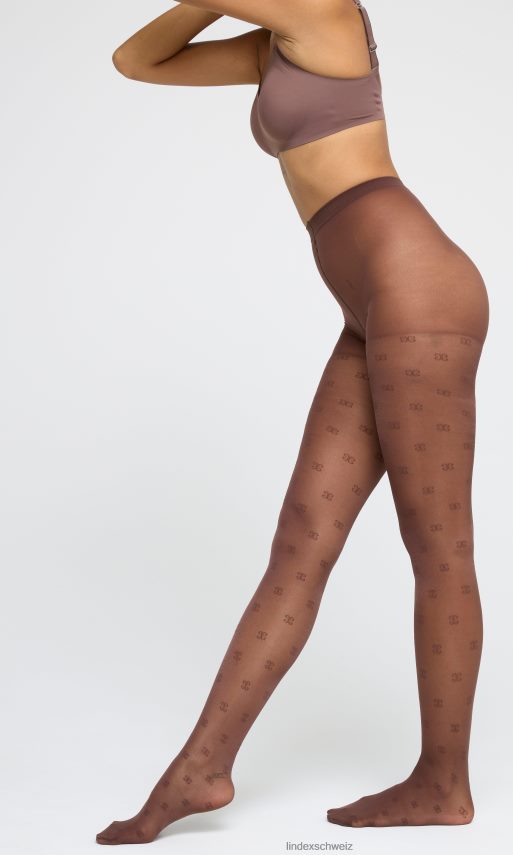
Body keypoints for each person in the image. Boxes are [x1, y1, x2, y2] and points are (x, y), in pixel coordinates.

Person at [97, 0, 490, 843]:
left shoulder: (325, 11)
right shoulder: (272, 42)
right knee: (301, 539)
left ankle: (442, 782)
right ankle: (201, 768)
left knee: (437, 546)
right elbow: (136, 62)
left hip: (419, 291)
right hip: (370, 304)